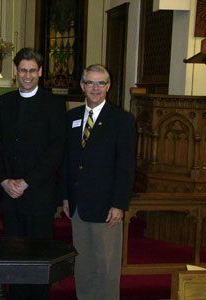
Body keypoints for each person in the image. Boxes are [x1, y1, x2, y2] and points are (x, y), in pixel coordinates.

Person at [0, 48, 66, 300]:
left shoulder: (54, 103)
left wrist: (27, 182)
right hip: (10, 196)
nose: (27, 75)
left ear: (40, 72)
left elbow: (56, 150)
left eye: (32, 70)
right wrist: (3, 180)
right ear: (15, 71)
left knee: (39, 259)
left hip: (39, 195)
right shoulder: (4, 102)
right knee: (13, 257)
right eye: (22, 70)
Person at [61, 64, 136, 300]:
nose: (95, 88)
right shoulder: (71, 117)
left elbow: (126, 166)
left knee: (106, 267)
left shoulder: (121, 120)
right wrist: (64, 196)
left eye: (100, 83)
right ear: (82, 86)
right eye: (90, 83)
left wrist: (119, 204)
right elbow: (67, 161)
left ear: (108, 86)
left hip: (107, 207)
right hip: (77, 205)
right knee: (82, 264)